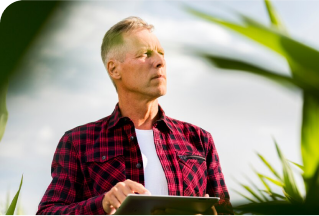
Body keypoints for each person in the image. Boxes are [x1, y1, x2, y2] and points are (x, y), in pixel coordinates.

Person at [37, 16, 233, 216]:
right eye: (144, 54)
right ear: (114, 69)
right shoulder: (78, 142)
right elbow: (47, 213)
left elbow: (226, 212)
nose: (159, 61)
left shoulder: (199, 139)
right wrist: (103, 204)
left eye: (161, 53)